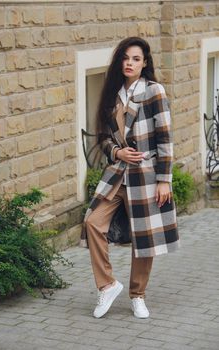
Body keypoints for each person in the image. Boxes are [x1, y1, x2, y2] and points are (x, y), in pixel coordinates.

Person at [80, 37, 180, 319]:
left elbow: (165, 137)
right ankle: (108, 285)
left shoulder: (153, 91)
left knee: (143, 239)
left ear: (145, 63)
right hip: (117, 175)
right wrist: (117, 153)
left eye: (136, 59)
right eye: (125, 58)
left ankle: (138, 295)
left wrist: (164, 179)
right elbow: (102, 140)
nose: (129, 63)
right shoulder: (112, 94)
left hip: (147, 177)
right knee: (92, 223)